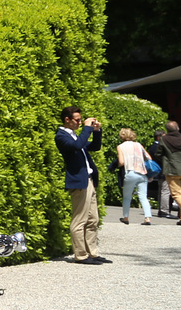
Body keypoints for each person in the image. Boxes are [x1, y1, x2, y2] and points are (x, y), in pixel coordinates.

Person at [55, 107, 107, 263]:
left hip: (88, 179)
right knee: (79, 220)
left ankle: (93, 253)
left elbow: (94, 147)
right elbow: (77, 146)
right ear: (67, 120)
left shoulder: (75, 136)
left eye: (80, 120)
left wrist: (96, 131)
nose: (79, 122)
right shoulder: (61, 136)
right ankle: (80, 255)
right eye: (77, 120)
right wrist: (87, 128)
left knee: (93, 219)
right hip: (78, 181)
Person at [115, 129, 152, 225]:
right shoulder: (138, 145)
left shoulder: (120, 146)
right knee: (143, 196)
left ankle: (126, 217)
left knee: (127, 197)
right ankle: (147, 218)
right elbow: (149, 157)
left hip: (130, 172)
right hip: (142, 172)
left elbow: (121, 162)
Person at [160, 118, 181, 226]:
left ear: (166, 130)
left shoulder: (164, 140)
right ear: (178, 128)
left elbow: (158, 153)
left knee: (176, 194)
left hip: (172, 170)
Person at [150, 128, 174, 218]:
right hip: (163, 171)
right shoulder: (157, 147)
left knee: (162, 191)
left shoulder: (154, 146)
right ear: (159, 137)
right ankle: (164, 210)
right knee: (165, 191)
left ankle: (162, 209)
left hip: (160, 172)